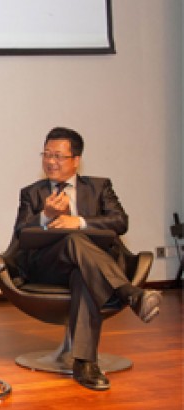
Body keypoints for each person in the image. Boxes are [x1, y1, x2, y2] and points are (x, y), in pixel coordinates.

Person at [10, 127, 162, 391]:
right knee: (73, 240)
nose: (50, 161)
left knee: (82, 272)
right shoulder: (32, 193)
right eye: (46, 155)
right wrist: (45, 216)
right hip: (48, 266)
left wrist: (77, 221)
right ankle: (129, 293)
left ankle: (85, 363)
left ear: (76, 160)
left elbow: (119, 222)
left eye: (58, 156)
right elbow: (21, 235)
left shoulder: (100, 187)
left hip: (90, 266)